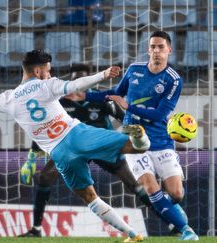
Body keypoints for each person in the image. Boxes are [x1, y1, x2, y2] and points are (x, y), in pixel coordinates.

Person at [0, 49, 150, 242]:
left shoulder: (7, 98)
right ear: (39, 71)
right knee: (137, 146)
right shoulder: (47, 85)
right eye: (48, 70)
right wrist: (103, 74)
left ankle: (132, 234)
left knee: (90, 198)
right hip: (78, 135)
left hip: (60, 154)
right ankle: (139, 135)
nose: (50, 74)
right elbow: (76, 85)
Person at [80, 31, 199, 241]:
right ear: (148, 49)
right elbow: (116, 92)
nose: (156, 51)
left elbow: (160, 114)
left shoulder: (173, 80)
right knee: (149, 185)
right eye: (152, 47)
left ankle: (174, 212)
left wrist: (129, 106)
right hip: (134, 139)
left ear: (169, 50)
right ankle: (186, 230)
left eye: (161, 47)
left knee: (177, 194)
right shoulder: (134, 70)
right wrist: (84, 95)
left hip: (161, 140)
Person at [18, 63, 156, 238]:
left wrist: (135, 132)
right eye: (75, 78)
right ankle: (36, 229)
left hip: (99, 145)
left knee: (133, 184)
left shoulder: (101, 100)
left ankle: (167, 219)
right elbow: (43, 129)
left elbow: (125, 119)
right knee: (45, 176)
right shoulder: (59, 102)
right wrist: (31, 157)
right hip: (71, 147)